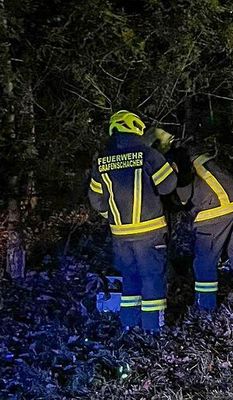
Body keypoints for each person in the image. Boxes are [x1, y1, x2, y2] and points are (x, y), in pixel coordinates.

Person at [87, 110, 178, 332]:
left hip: (120, 237)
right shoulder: (148, 154)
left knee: (130, 280)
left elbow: (97, 202)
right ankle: (153, 332)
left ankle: (128, 327)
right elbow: (168, 185)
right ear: (136, 128)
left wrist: (116, 219)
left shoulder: (101, 162)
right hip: (150, 233)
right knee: (152, 280)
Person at [161, 140, 233, 311]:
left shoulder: (175, 160)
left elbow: (184, 193)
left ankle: (205, 306)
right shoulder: (198, 156)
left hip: (215, 210)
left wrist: (175, 202)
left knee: (205, 260)